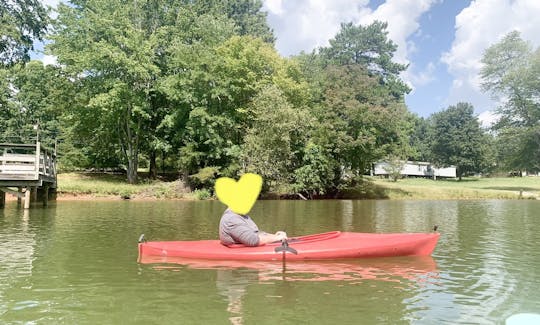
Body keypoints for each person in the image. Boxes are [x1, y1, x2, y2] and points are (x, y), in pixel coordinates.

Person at [219, 208, 287, 246]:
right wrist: (277, 238)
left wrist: (275, 235)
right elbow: (253, 240)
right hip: (242, 254)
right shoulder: (232, 219)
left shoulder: (241, 214)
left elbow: (256, 233)